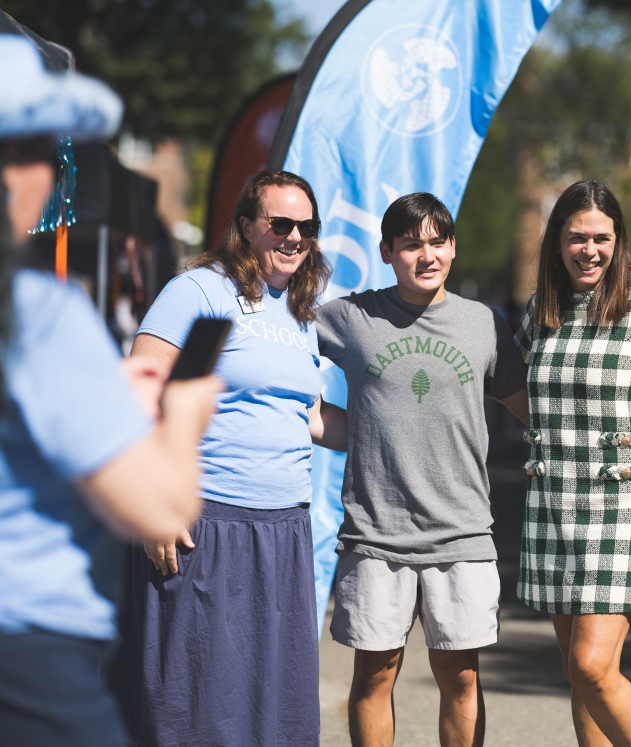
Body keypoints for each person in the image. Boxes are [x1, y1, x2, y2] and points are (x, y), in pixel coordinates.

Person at [0, 36, 218, 747]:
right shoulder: (37, 313)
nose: (49, 174)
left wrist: (102, 399)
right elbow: (157, 502)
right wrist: (181, 414)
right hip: (30, 658)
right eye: (38, 149)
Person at [116, 170, 346, 747]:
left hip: (284, 530)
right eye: (281, 224)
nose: (295, 237)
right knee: (197, 704)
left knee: (274, 702)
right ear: (246, 226)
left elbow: (311, 416)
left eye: (307, 227)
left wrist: (402, 428)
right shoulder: (204, 293)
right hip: (206, 524)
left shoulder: (299, 311)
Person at [315, 192, 529, 747]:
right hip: (375, 534)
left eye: (437, 242)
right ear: (387, 252)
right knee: (374, 675)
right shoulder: (351, 318)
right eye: (411, 244)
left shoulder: (483, 323)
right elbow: (275, 345)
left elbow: (528, 404)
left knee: (460, 678)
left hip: (461, 534)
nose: (425, 255)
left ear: (453, 248)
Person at [515, 179, 631, 747]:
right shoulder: (542, 308)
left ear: (619, 240)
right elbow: (516, 392)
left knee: (593, 665)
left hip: (627, 504)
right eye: (576, 237)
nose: (589, 250)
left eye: (601, 238)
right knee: (579, 673)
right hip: (555, 502)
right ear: (556, 241)